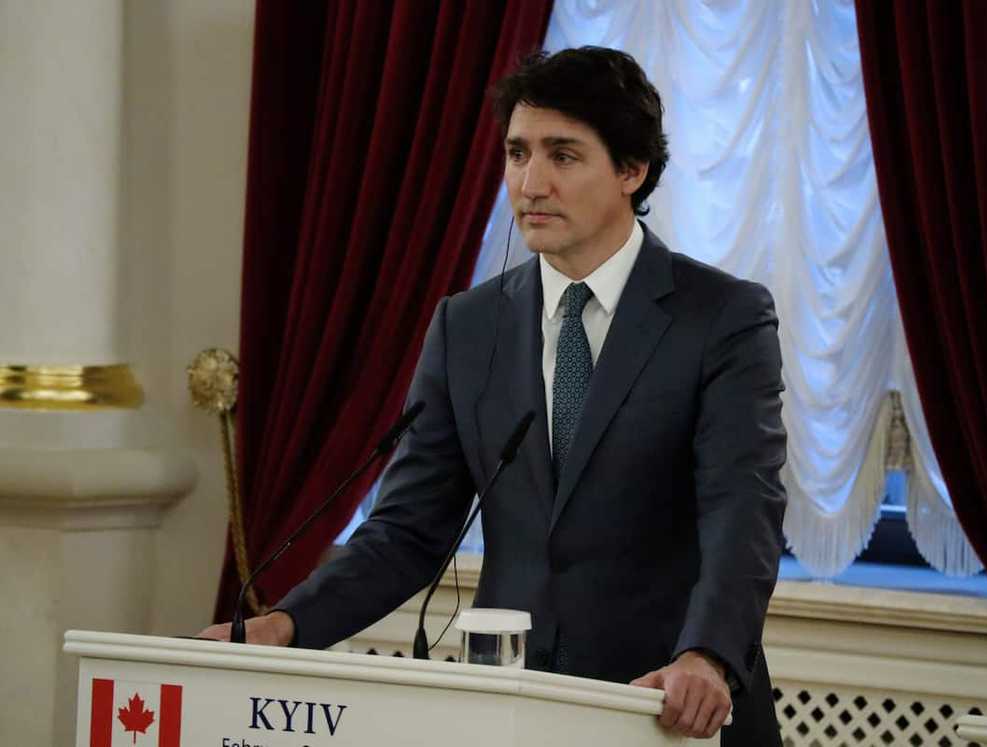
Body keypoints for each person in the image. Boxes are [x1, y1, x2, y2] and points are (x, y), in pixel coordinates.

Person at [202, 46, 787, 745]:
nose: (530, 183)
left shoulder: (722, 317)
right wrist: (288, 623)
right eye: (517, 153)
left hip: (670, 707)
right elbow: (407, 529)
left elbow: (742, 507)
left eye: (562, 155)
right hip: (511, 707)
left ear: (632, 170)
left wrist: (708, 653)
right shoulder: (466, 325)